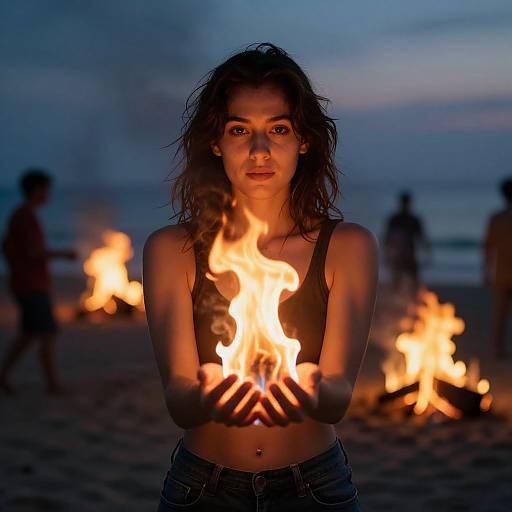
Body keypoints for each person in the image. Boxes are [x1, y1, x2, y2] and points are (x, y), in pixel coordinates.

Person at [143, 43, 378, 511]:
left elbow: (336, 400)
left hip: (315, 487)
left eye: (278, 128)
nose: (259, 150)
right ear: (216, 141)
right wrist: (210, 397)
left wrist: (310, 388)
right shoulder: (172, 250)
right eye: (239, 130)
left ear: (304, 139)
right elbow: (180, 401)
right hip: (202, 488)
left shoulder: (348, 247)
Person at [0, 169, 76, 394]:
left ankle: (3, 375)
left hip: (25, 283)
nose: (48, 194)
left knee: (29, 333)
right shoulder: (24, 217)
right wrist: (63, 254)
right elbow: (34, 252)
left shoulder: (21, 215)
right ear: (36, 190)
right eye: (46, 189)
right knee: (47, 334)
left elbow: (8, 246)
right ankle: (52, 385)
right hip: (31, 285)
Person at [483, 177, 512, 358]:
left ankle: (498, 349)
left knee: (499, 314)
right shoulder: (496, 218)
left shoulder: (496, 218)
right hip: (502, 273)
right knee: (500, 313)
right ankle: (497, 349)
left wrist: (486, 271)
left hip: (501, 273)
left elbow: (487, 247)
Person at [383, 191, 430, 294]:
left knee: (408, 281)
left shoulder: (401, 219)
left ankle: (412, 302)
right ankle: (400, 300)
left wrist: (386, 254)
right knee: (399, 281)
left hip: (405, 255)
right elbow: (387, 238)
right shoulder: (401, 219)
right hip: (402, 255)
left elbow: (421, 238)